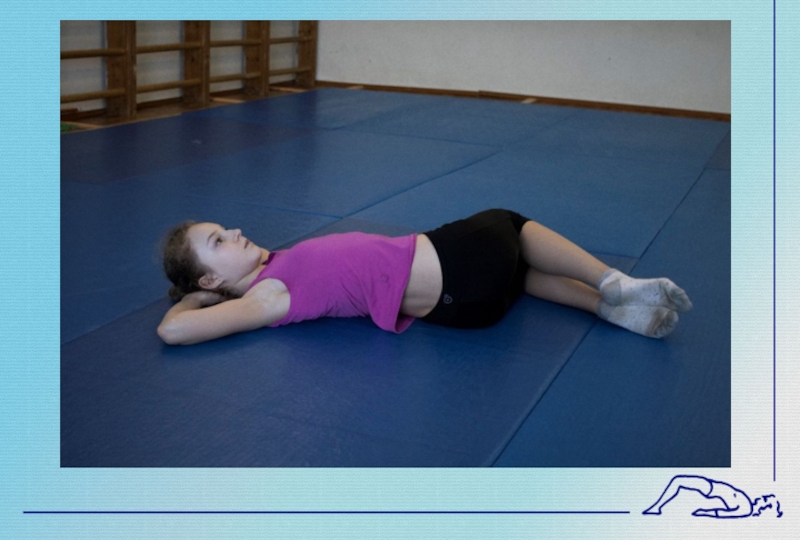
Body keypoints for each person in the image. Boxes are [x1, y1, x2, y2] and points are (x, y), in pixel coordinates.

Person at [158, 209, 692, 346]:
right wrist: (191, 304)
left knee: (523, 272)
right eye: (218, 242)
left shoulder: (274, 269)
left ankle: (608, 308)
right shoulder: (266, 295)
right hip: (456, 268)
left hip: (463, 304)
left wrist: (200, 297)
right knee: (507, 222)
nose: (234, 231)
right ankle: (611, 280)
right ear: (209, 281)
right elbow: (172, 331)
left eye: (224, 228)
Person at [643, 475, 782, 518]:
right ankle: (657, 507)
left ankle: (656, 507)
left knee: (678, 481)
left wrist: (703, 512)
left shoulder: (747, 509)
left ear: (764, 507)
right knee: (678, 481)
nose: (761, 498)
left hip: (712, 489)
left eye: (765, 500)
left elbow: (721, 514)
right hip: (712, 486)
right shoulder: (748, 504)